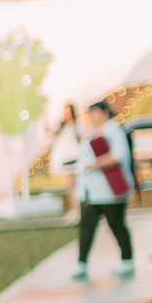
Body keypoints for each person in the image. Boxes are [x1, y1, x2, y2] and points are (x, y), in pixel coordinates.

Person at [53, 101, 135, 278]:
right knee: (86, 227)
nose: (93, 116)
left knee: (116, 224)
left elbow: (119, 155)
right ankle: (81, 263)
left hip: (109, 191)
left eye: (96, 112)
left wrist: (93, 165)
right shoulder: (90, 133)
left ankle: (127, 259)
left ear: (106, 113)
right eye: (91, 113)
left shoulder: (114, 131)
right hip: (90, 192)